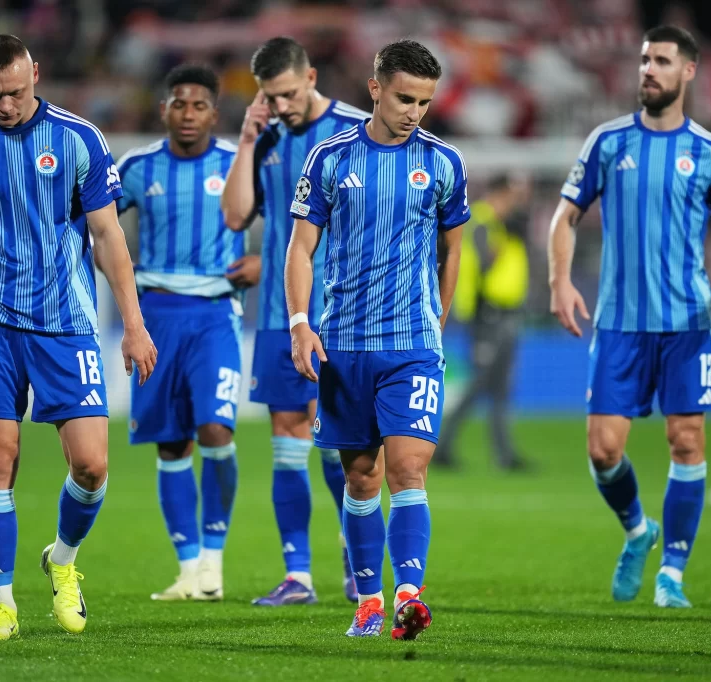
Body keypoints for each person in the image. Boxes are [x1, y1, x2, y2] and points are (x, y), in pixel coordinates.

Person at [0, 34, 157, 641]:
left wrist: (132, 324)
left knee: (92, 465)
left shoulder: (79, 139)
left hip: (67, 324)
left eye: (15, 92)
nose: (4, 104)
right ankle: (1, 606)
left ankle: (63, 560)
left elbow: (107, 236)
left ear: (36, 76)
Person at [548, 25, 711, 608]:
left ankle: (673, 575)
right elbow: (565, 217)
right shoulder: (608, 142)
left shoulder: (709, 151)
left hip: (688, 322)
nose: (649, 70)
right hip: (620, 323)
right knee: (603, 449)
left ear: (688, 71)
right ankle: (639, 531)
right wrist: (559, 281)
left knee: (686, 440)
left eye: (661, 61)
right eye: (644, 60)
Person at [286, 40, 469, 639]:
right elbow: (301, 249)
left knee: (408, 470)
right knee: (360, 476)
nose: (415, 111)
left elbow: (453, 247)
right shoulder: (330, 159)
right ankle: (367, 599)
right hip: (344, 344)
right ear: (375, 88)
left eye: (424, 101)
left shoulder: (444, 163)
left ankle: (409, 595)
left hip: (413, 345)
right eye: (404, 98)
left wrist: (440, 316)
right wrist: (299, 323)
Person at [221, 36, 368, 606]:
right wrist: (247, 137)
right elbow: (235, 213)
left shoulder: (357, 130)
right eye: (268, 97)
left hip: (345, 315)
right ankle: (298, 576)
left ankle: (357, 563)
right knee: (287, 439)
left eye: (285, 94)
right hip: (280, 315)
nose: (279, 106)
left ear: (309, 77)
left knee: (338, 441)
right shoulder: (268, 137)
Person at [115, 64, 259, 602]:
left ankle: (215, 564)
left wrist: (265, 263)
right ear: (164, 110)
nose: (189, 113)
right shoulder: (137, 168)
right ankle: (189, 568)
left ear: (214, 114)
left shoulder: (239, 165)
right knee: (171, 443)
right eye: (180, 103)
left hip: (215, 314)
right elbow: (96, 223)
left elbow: (301, 224)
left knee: (216, 431)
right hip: (154, 315)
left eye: (199, 105)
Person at [436, 175, 531, 471]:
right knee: (479, 383)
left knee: (501, 386)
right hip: (486, 313)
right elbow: (479, 266)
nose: (511, 204)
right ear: (497, 194)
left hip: (508, 312)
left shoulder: (502, 226)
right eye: (508, 198)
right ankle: (443, 446)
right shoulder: (482, 223)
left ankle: (505, 455)